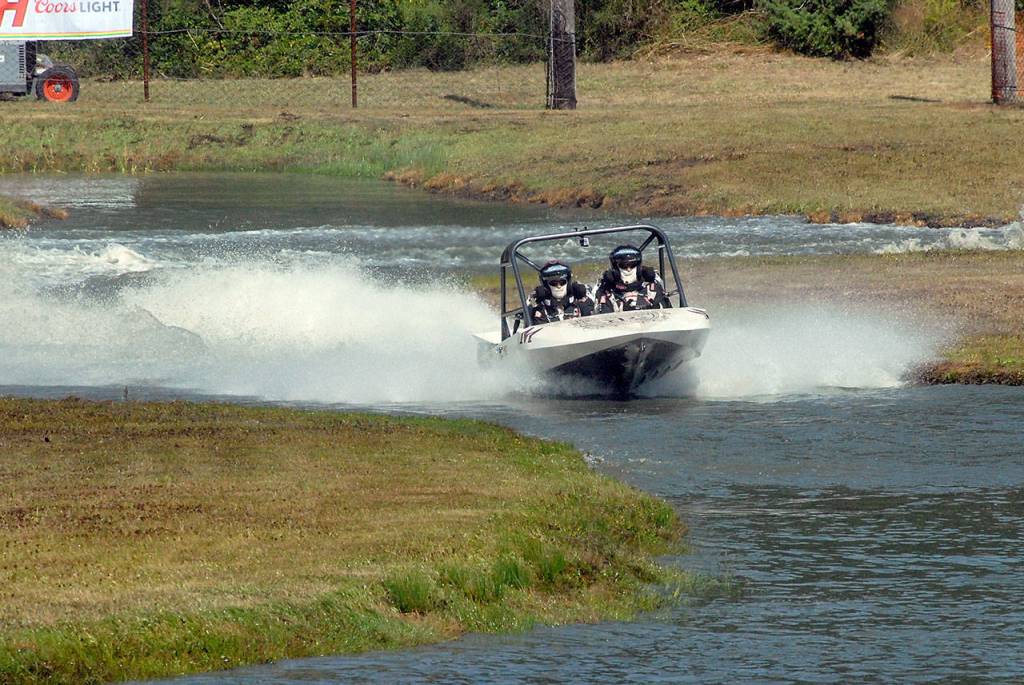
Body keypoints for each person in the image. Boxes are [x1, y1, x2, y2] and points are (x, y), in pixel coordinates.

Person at [595, 245, 671, 313]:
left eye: (632, 265)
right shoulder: (606, 290)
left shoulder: (652, 286)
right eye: (624, 266)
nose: (628, 269)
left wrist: (652, 307)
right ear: (615, 268)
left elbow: (667, 313)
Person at [528, 260, 595, 323]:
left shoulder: (579, 295)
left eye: (562, 282)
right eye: (554, 283)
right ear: (546, 285)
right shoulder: (538, 302)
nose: (559, 286)